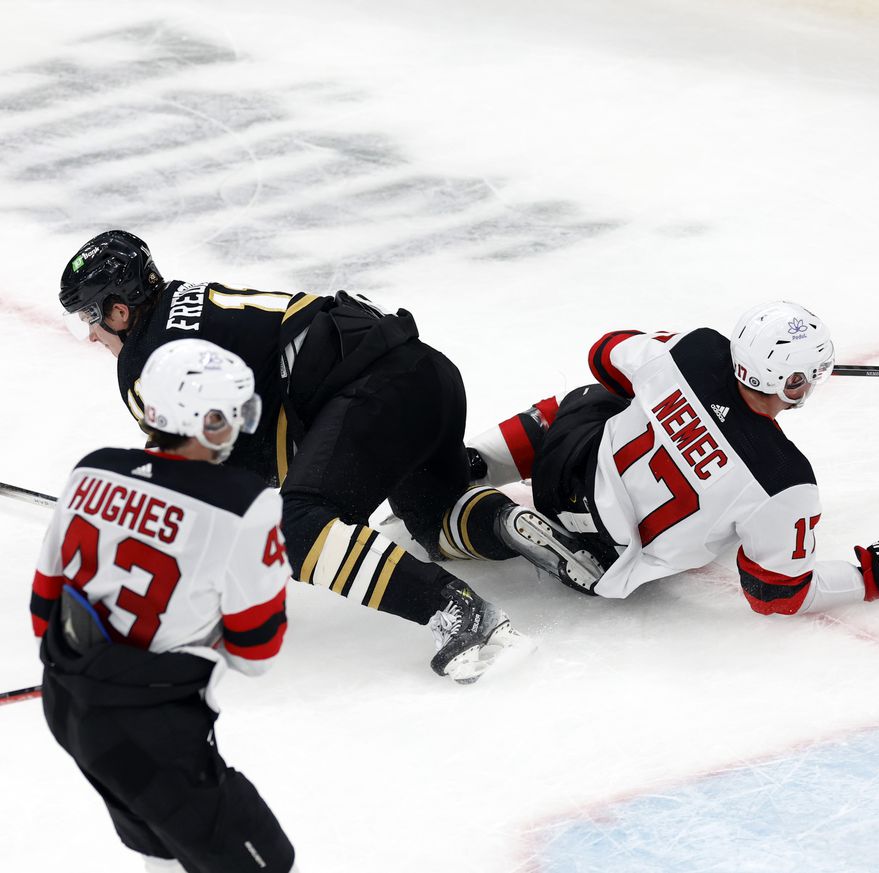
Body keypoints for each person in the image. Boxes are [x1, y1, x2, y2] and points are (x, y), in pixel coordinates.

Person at [57, 229, 568, 682]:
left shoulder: (149, 362)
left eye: (91, 318)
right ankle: (504, 520)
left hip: (373, 401)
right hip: (425, 377)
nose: (92, 334)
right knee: (434, 522)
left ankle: (460, 612)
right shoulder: (192, 304)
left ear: (120, 310)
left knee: (295, 531)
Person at [440, 301, 879, 614]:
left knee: (594, 398)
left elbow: (606, 353)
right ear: (796, 386)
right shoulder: (785, 482)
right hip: (612, 555)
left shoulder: (695, 351)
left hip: (568, 470)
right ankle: (528, 528)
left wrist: (679, 364)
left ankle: (477, 463)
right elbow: (775, 593)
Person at [31, 339, 298, 873]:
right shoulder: (245, 503)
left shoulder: (92, 470)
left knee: (167, 844)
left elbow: (44, 608)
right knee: (265, 863)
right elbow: (256, 652)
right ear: (210, 419)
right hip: (152, 731)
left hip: (67, 705)